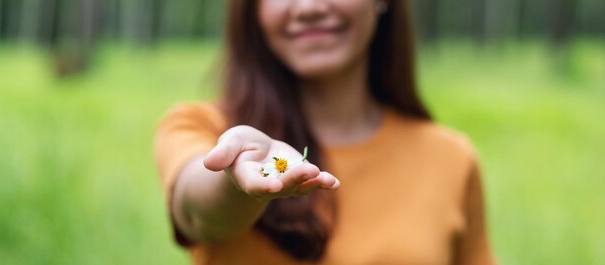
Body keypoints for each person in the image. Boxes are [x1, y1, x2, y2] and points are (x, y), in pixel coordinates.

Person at [154, 0, 496, 264]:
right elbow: (197, 211)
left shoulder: (451, 158)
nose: (309, 7)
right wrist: (237, 177)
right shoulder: (202, 129)